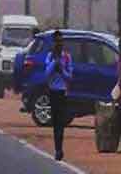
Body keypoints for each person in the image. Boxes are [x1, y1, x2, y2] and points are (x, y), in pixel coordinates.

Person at [44, 30, 73, 161]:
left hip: (62, 92)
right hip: (53, 92)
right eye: (57, 41)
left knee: (61, 122)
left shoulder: (66, 57)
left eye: (61, 41)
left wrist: (62, 70)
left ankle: (60, 149)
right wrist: (54, 63)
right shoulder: (49, 56)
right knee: (55, 122)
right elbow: (46, 74)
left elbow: (70, 76)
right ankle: (57, 148)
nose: (59, 43)